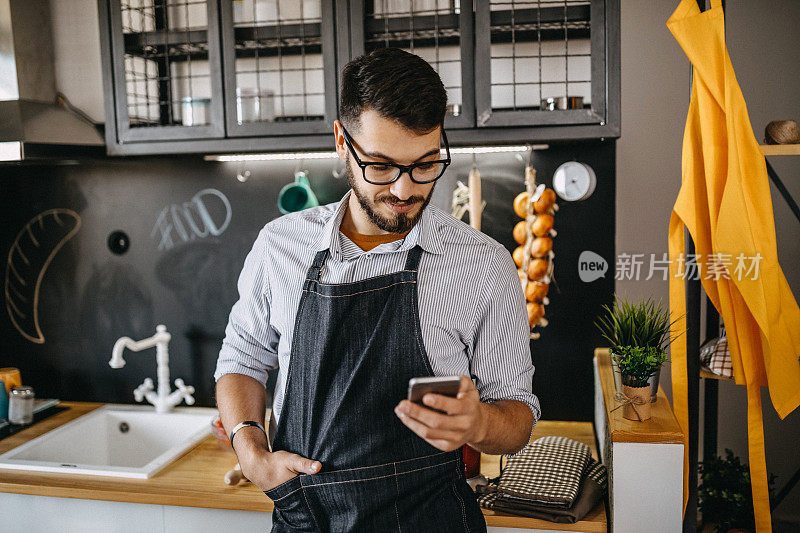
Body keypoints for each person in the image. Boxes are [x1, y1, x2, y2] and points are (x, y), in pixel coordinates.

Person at [214, 47, 540, 532]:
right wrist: (251, 448)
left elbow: (517, 413)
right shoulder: (280, 247)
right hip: (307, 520)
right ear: (342, 142)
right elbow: (243, 361)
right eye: (382, 167)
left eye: (426, 164)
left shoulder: (483, 265)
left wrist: (480, 425)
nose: (406, 190)